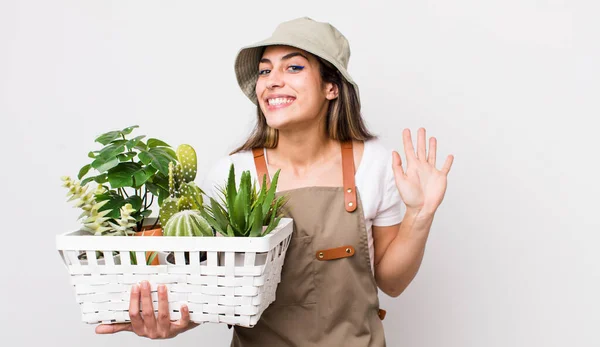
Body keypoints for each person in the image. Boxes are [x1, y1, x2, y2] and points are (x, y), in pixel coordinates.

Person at [95, 16, 454, 346]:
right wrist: (170, 322)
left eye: (293, 67)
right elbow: (210, 288)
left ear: (332, 87)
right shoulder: (232, 175)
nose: (272, 81)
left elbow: (392, 282)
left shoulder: (374, 164)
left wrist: (419, 215)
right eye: (265, 71)